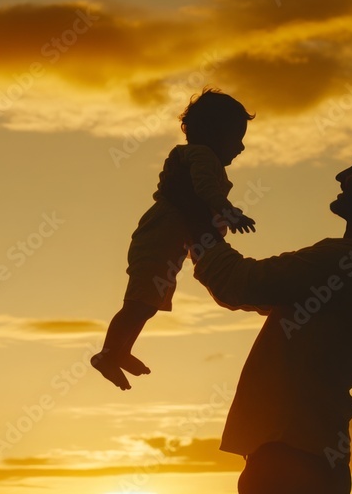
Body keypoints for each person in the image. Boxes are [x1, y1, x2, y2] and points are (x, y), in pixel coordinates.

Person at [161, 129, 352, 494]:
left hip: (291, 458)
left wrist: (194, 210)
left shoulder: (350, 260)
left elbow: (237, 283)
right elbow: (246, 289)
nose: (341, 176)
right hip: (299, 454)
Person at [91, 88, 257, 390]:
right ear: (214, 133)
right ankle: (107, 353)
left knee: (147, 304)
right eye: (236, 138)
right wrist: (230, 213)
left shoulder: (199, 157)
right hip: (158, 239)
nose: (241, 147)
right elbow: (205, 191)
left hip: (168, 244)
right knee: (138, 301)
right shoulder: (201, 156)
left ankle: (119, 351)